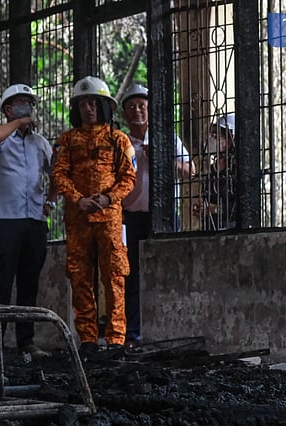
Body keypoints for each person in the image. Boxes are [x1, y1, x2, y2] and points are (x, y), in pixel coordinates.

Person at [52, 76, 136, 359]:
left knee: (114, 277)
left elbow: (129, 177)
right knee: (80, 277)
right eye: (83, 104)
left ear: (104, 106)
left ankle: (115, 339)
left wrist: (108, 198)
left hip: (109, 220)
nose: (88, 109)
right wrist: (78, 199)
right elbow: (59, 174)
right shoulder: (67, 140)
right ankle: (87, 338)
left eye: (93, 103)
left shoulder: (118, 139)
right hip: (78, 220)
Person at [0, 83, 57, 358]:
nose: (28, 107)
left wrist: (50, 201)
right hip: (6, 219)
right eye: (21, 102)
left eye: (30, 103)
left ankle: (26, 341)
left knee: (29, 282)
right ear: (8, 109)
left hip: (34, 220)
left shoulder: (40, 143)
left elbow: (57, 173)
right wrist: (17, 123)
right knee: (1, 283)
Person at [120, 83, 193, 349]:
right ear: (125, 114)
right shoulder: (121, 143)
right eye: (131, 107)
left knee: (169, 271)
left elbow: (190, 171)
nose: (137, 111)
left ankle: (171, 330)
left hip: (164, 216)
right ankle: (132, 334)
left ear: (150, 110)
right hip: (130, 217)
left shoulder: (166, 138)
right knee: (130, 276)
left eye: (142, 106)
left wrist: (162, 159)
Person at [193, 113, 236, 230]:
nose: (211, 138)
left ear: (229, 140)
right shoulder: (212, 169)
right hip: (210, 229)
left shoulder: (236, 169)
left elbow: (240, 207)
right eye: (211, 134)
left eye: (216, 135)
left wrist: (213, 209)